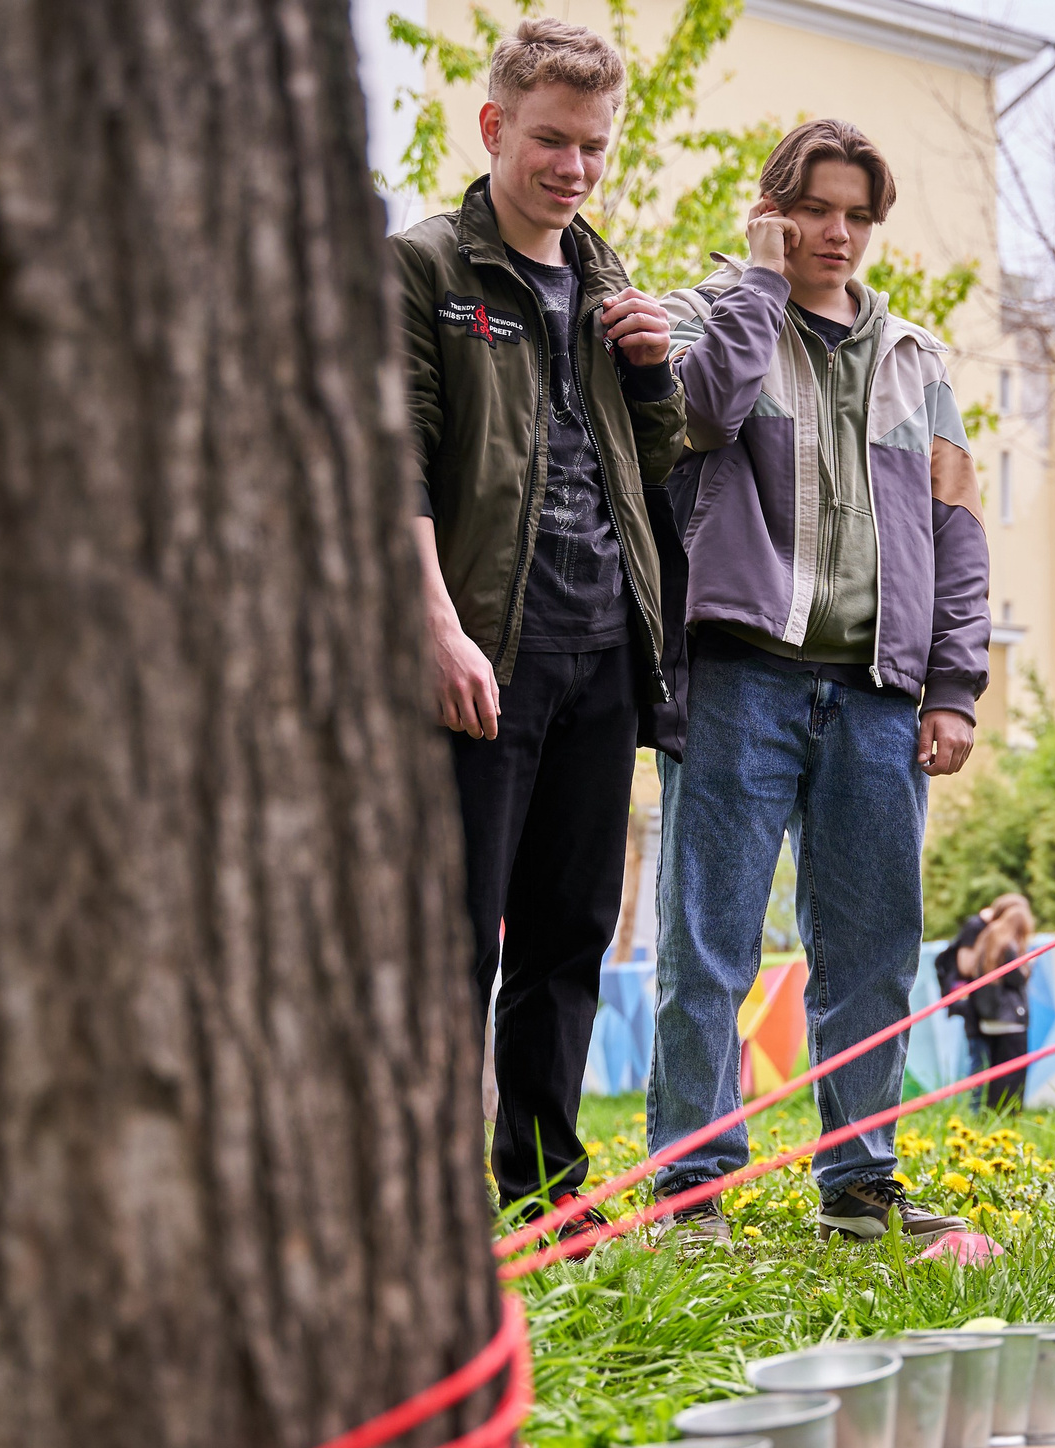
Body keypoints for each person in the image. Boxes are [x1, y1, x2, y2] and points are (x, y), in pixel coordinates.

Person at [646, 120, 989, 1244]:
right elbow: (704, 415)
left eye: (855, 215)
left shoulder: (917, 360)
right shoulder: (709, 315)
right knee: (709, 944)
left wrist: (953, 684)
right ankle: (693, 1187)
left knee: (875, 950)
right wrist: (755, 283)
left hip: (879, 692)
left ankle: (860, 1182)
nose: (835, 234)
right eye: (813, 211)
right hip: (740, 677)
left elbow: (957, 531)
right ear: (773, 212)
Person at [394, 18, 686, 1235]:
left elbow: (655, 467)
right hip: (480, 654)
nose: (573, 167)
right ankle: (419, 1201)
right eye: (552, 140)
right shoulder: (423, 269)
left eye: (594, 147)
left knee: (568, 939)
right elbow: (394, 460)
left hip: (602, 653)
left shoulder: (612, 284)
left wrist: (655, 371)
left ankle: (546, 1193)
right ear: (494, 127)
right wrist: (435, 627)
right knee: (453, 938)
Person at [936, 895, 1034, 1109]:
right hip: (1007, 1018)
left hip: (988, 1017)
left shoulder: (986, 936)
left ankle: (983, 1112)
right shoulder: (1001, 940)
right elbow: (1016, 978)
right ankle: (999, 1113)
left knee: (990, 1069)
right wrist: (1027, 965)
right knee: (1007, 1072)